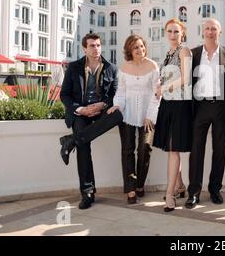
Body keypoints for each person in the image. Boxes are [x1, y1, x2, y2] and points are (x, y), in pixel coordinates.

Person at [60, 33, 122, 209]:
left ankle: (70, 141)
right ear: (84, 49)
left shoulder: (111, 68)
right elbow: (64, 94)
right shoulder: (73, 67)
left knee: (118, 115)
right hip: (80, 113)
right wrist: (80, 109)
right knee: (83, 146)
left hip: (100, 111)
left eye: (98, 45)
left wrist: (102, 105)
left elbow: (114, 95)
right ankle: (87, 192)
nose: (96, 49)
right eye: (92, 46)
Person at [185, 18, 225, 209]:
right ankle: (194, 193)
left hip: (222, 107)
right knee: (196, 150)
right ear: (202, 32)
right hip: (199, 107)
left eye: (214, 29)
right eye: (207, 29)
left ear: (219, 32)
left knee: (220, 150)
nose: (210, 32)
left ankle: (215, 189)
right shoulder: (193, 53)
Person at [107, 35, 160, 205]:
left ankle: (139, 184)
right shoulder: (123, 68)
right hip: (127, 114)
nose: (140, 50)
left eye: (142, 46)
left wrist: (150, 116)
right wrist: (117, 106)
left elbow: (156, 94)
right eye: (136, 47)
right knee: (127, 150)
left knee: (145, 149)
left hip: (148, 116)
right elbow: (121, 92)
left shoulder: (153, 66)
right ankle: (130, 189)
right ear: (129, 50)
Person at [153, 18, 193, 212]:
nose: (172, 35)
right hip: (168, 104)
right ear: (165, 32)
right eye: (169, 31)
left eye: (176, 31)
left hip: (180, 105)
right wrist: (159, 87)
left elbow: (186, 79)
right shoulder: (168, 54)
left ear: (182, 33)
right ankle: (180, 186)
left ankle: (170, 194)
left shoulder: (184, 51)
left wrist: (164, 88)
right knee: (171, 148)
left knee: (173, 149)